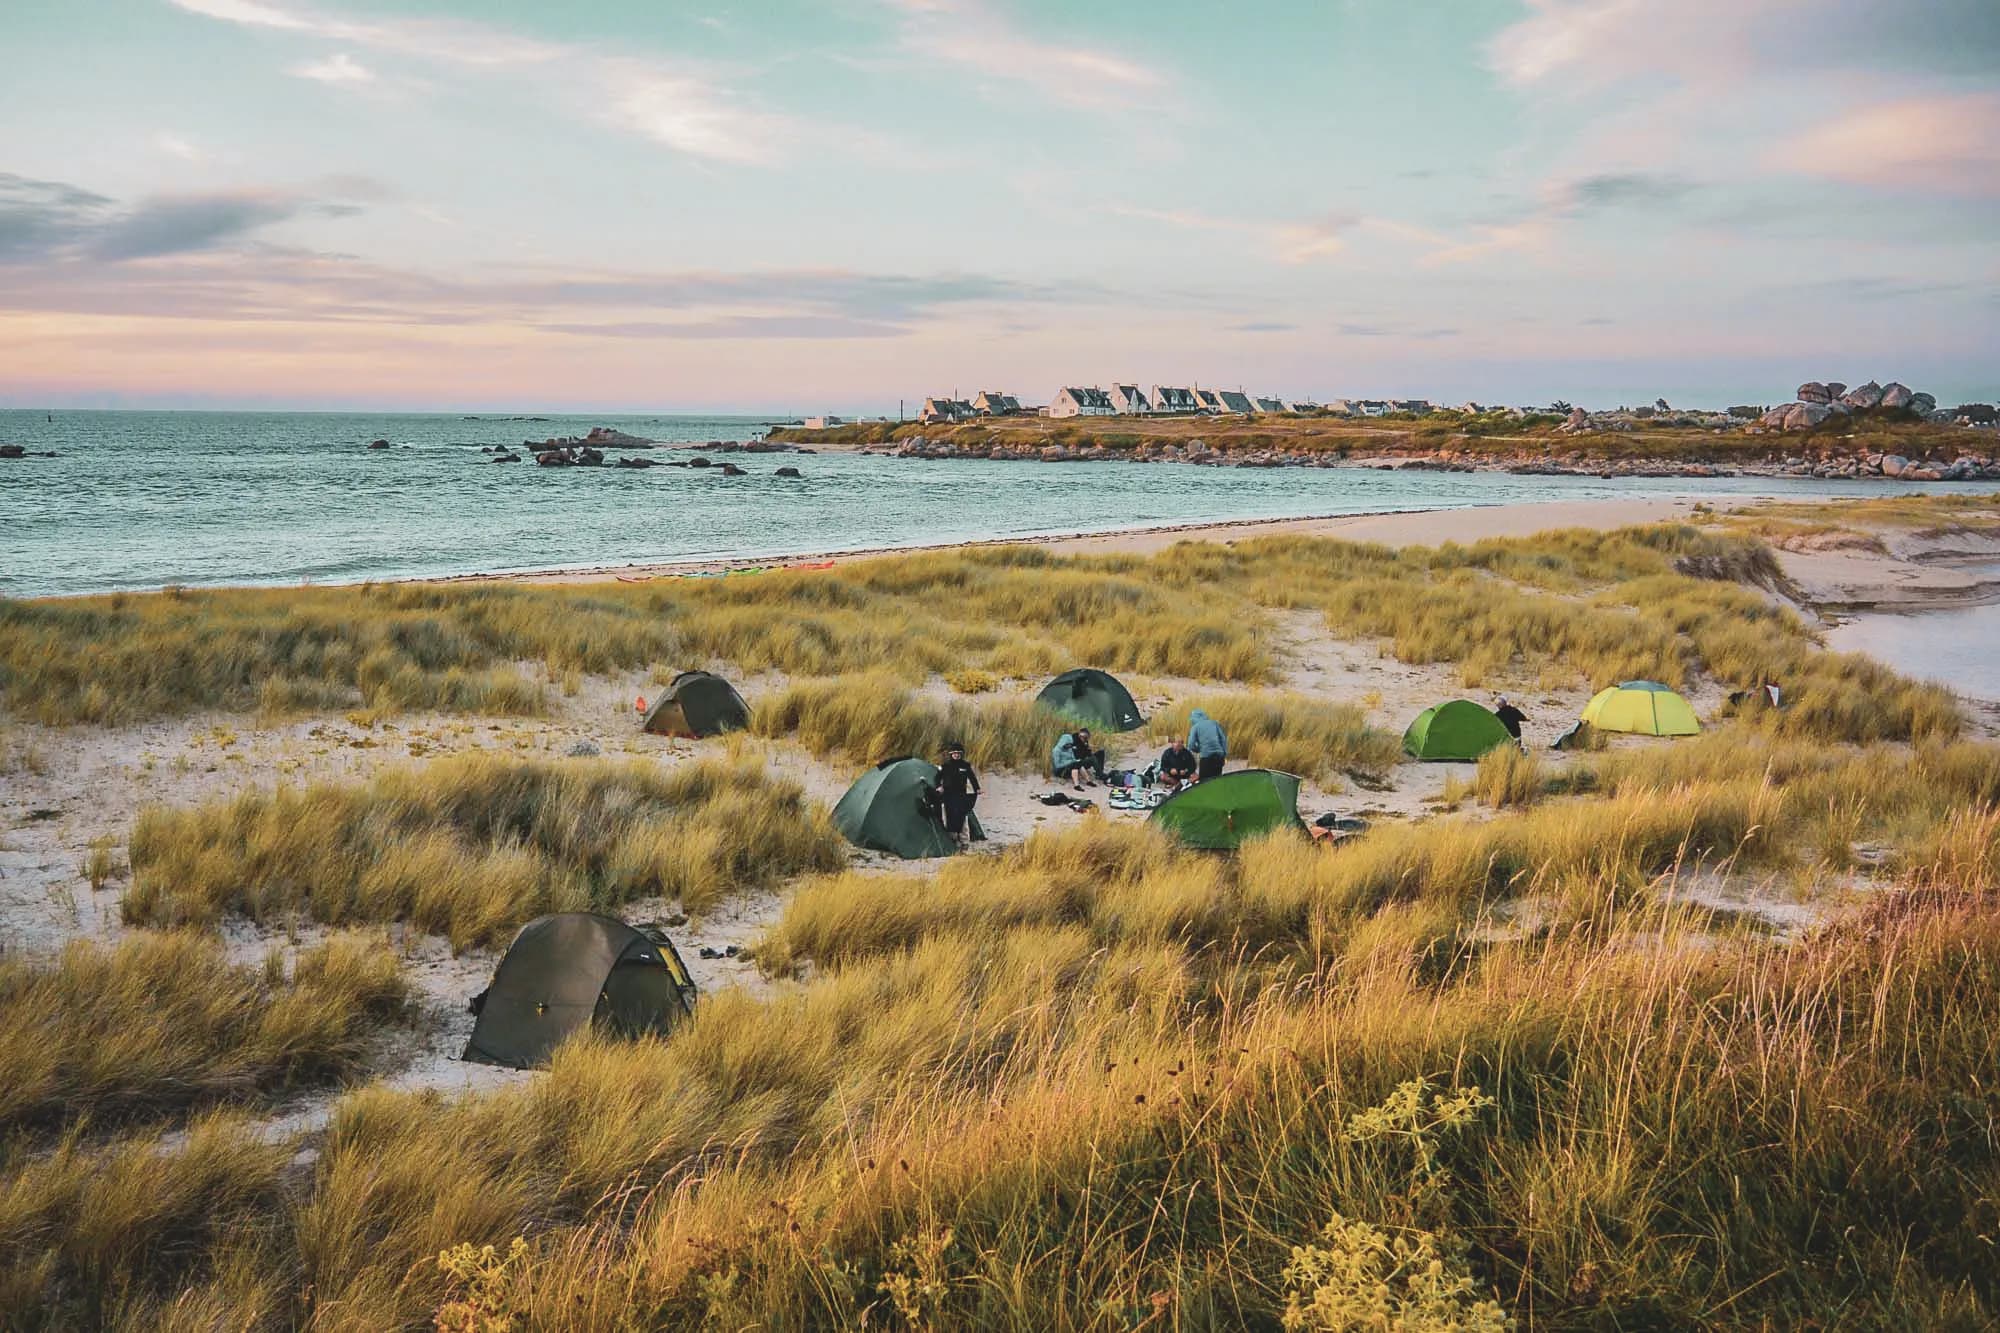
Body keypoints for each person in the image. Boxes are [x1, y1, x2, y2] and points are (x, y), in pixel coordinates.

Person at [936, 739, 981, 849]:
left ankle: (964, 841)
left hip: (961, 795)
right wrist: (939, 786)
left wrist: (977, 788)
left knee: (962, 817)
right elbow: (937, 777)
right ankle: (953, 839)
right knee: (950, 817)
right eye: (954, 753)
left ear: (961, 754)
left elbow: (972, 778)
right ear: (951, 754)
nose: (956, 755)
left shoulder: (965, 765)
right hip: (948, 796)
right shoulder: (945, 766)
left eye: (958, 753)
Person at [1186, 709, 1227, 781]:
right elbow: (1223, 739)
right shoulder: (1214, 723)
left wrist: (1199, 749)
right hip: (1219, 756)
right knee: (1217, 779)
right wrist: (1224, 753)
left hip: (1206, 757)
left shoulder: (1195, 727)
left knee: (1204, 782)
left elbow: (1191, 745)